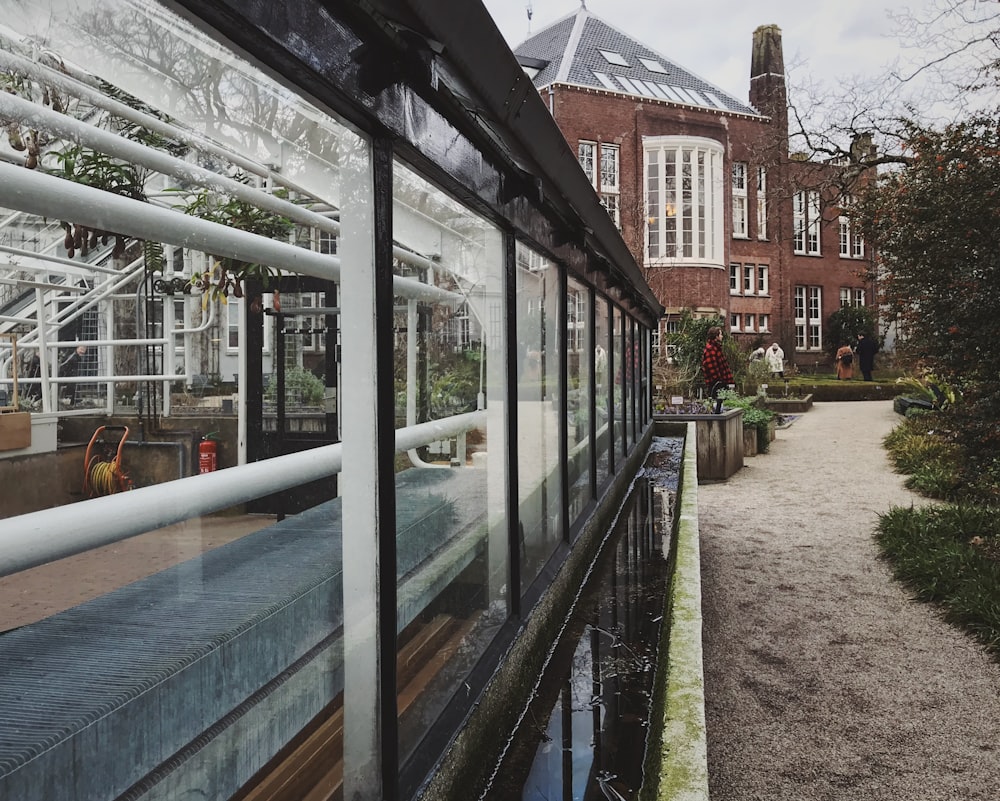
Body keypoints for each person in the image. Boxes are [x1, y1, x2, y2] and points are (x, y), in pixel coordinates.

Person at [701, 325, 733, 413]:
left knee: (720, 402)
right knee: (716, 403)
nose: (722, 336)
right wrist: (719, 381)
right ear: (716, 336)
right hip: (716, 383)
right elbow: (712, 368)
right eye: (720, 334)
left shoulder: (716, 348)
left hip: (720, 381)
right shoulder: (711, 349)